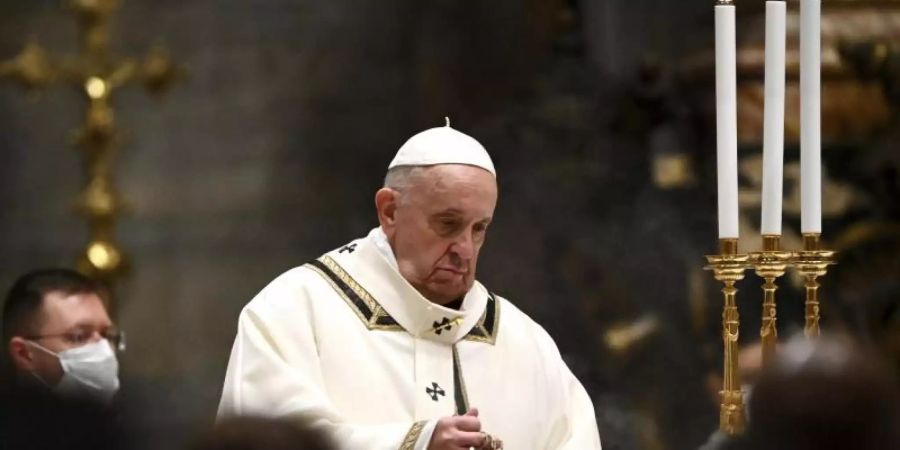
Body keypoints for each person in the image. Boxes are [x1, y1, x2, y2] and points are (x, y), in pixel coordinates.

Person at [218, 121, 602, 449]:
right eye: (448, 224)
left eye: (479, 228)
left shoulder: (525, 344)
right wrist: (413, 442)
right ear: (389, 211)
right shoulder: (293, 312)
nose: (465, 250)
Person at [2, 268, 122, 404]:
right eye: (79, 337)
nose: (103, 349)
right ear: (23, 353)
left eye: (106, 334)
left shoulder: (128, 420)